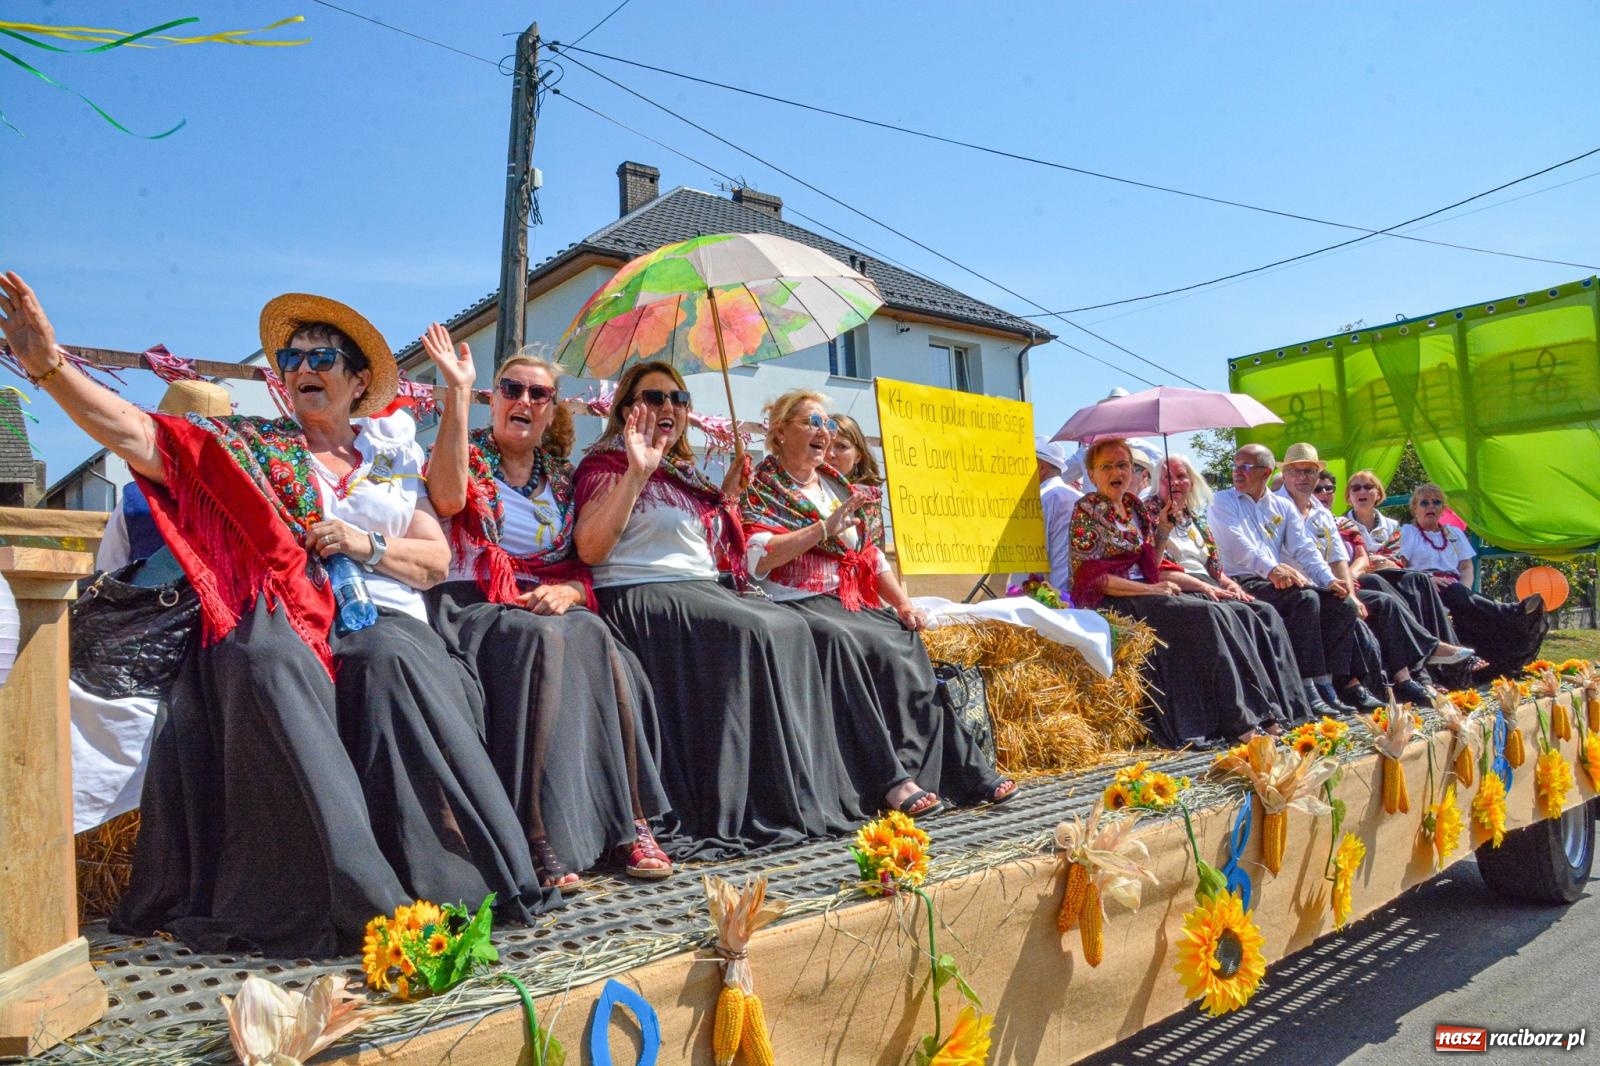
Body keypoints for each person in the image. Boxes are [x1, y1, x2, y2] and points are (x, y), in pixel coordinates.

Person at [0, 272, 555, 956]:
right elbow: (148, 440)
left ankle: (453, 883)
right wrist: (50, 368)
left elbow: (435, 561)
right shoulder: (258, 448)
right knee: (266, 657)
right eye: (291, 359)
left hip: (387, 614)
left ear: (358, 384)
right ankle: (364, 901)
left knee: (390, 660)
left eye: (322, 357)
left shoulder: (389, 462)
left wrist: (364, 542)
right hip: (287, 614)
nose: (301, 368)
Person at [572, 361, 863, 858]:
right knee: (752, 630)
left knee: (789, 626)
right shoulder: (605, 466)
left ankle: (802, 800)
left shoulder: (688, 476)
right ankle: (743, 808)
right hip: (642, 591)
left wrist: (727, 498)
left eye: (678, 399)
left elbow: (713, 550)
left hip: (699, 587)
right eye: (654, 397)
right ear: (627, 409)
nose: (669, 407)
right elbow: (592, 549)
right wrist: (637, 475)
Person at [420, 328, 673, 889]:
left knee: (594, 634)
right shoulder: (465, 453)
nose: (526, 401)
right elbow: (446, 498)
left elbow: (581, 564)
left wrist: (572, 593)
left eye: (540, 394)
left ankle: (632, 823)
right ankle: (535, 834)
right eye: (513, 389)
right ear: (495, 396)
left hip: (542, 602)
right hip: (474, 603)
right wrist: (457, 396)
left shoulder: (559, 478)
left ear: (552, 408)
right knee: (545, 640)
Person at [741, 390, 1015, 814]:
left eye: (828, 425)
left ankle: (964, 769)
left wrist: (903, 603)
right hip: (795, 601)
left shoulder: (834, 483)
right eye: (811, 423)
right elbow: (759, 558)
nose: (823, 432)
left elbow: (867, 554)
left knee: (902, 638)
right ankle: (891, 781)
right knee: (842, 642)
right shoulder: (762, 485)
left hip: (844, 598)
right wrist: (822, 529)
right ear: (779, 432)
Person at [1069, 438, 1293, 747]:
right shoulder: (1087, 510)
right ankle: (1239, 721)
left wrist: (1162, 530)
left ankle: (1265, 711)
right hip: (1118, 599)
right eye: (1106, 466)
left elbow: (1150, 561)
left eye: (1122, 465)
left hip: (1148, 591)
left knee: (1229, 612)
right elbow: (1095, 579)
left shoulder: (1133, 506)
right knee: (1205, 612)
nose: (1115, 472)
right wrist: (1152, 589)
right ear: (1092, 474)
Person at [1277, 445, 1470, 705]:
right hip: (1297, 585)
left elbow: (1339, 559)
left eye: (1311, 472)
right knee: (1375, 590)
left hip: (1328, 582)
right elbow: (1296, 556)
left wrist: (1349, 589)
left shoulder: (1323, 514)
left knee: (1393, 594)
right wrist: (1346, 589)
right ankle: (1420, 658)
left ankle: (1408, 678)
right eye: (1296, 471)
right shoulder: (1276, 507)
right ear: (1285, 474)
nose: (1304, 478)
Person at [1207, 443, 1379, 715]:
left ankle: (1329, 683)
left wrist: (1328, 579)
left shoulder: (1281, 506)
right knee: (1305, 600)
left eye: (1245, 467)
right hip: (1242, 580)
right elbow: (1235, 544)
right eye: (1236, 466)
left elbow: (1304, 548)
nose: (1237, 472)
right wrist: (1272, 569)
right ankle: (1307, 686)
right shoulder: (1223, 501)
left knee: (1341, 602)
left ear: (1265, 473)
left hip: (1273, 579)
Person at [1151, 455, 1314, 721]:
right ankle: (1250, 713)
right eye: (1167, 477)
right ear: (1157, 483)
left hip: (1209, 582)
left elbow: (1216, 567)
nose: (1175, 482)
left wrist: (1230, 585)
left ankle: (1290, 707)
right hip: (1182, 584)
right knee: (1234, 617)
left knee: (1264, 612)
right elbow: (1155, 569)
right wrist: (1206, 587)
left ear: (1192, 482)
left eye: (1182, 476)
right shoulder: (1150, 514)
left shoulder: (1195, 518)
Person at [1325, 469, 1468, 678]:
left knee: (1419, 580)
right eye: (1356, 488)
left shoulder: (1392, 526)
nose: (1362, 491)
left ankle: (1448, 664)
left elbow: (1397, 559)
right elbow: (1350, 560)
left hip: (1388, 573)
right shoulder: (1342, 524)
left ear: (1378, 494)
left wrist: (1377, 560)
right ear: (1348, 496)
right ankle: (1432, 660)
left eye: (1368, 487)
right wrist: (1374, 561)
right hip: (1362, 578)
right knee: (1399, 586)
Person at [1397, 482, 1547, 677]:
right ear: (1414, 508)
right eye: (1424, 503)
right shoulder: (1408, 533)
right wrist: (1427, 580)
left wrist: (1464, 590)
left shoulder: (1454, 533)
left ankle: (1492, 664)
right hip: (1423, 586)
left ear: (1443, 508)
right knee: (1458, 595)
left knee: (1464, 602)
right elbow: (1400, 566)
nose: (1431, 507)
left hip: (1455, 588)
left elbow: (1466, 567)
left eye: (1436, 502)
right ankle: (1511, 612)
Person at [1030, 436, 1080, 594]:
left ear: (1041, 467)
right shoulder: (1079, 497)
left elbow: (1033, 559)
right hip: (1077, 596)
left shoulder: (1041, 498)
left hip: (1049, 597)